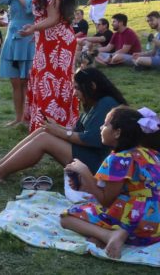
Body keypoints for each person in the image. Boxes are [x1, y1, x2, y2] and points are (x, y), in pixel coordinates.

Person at [0, 68, 125, 182]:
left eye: (77, 88)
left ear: (92, 86)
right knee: (44, 131)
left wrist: (59, 132)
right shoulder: (94, 102)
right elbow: (78, 131)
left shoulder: (107, 103)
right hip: (91, 155)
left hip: (99, 165)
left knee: (45, 139)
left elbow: (91, 139)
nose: (74, 93)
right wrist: (57, 128)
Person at [61, 106, 160, 259]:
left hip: (137, 223)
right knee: (93, 202)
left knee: (66, 218)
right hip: (155, 225)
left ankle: (108, 236)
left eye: (105, 124)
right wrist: (87, 186)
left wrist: (85, 172)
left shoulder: (118, 159)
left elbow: (107, 200)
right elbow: (131, 188)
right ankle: (106, 235)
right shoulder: (150, 153)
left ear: (117, 132)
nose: (101, 127)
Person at [19, 0, 79, 133]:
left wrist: (33, 29)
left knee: (52, 81)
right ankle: (50, 125)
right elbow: (48, 19)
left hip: (58, 43)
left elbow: (53, 18)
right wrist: (36, 35)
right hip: (51, 40)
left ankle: (51, 126)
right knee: (47, 80)